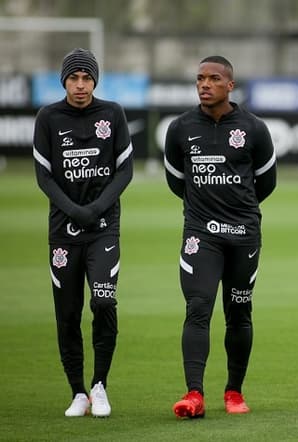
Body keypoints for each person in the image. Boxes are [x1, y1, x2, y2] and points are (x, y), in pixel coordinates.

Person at [164, 55, 276, 419]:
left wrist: (237, 210)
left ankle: (234, 391)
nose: (204, 84)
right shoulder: (180, 128)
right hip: (201, 235)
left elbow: (266, 182)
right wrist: (206, 211)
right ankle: (194, 393)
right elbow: (176, 181)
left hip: (244, 235)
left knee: (239, 313)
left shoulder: (254, 128)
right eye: (199, 78)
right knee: (198, 308)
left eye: (214, 78)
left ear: (230, 85)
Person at [33, 48, 134, 417]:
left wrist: (95, 209)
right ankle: (78, 391)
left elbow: (124, 171)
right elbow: (43, 175)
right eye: (74, 78)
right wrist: (74, 210)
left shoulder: (112, 114)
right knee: (67, 314)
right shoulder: (48, 117)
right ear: (64, 81)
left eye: (87, 78)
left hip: (104, 228)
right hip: (64, 231)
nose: (80, 85)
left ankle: (100, 385)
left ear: (95, 81)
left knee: (104, 301)